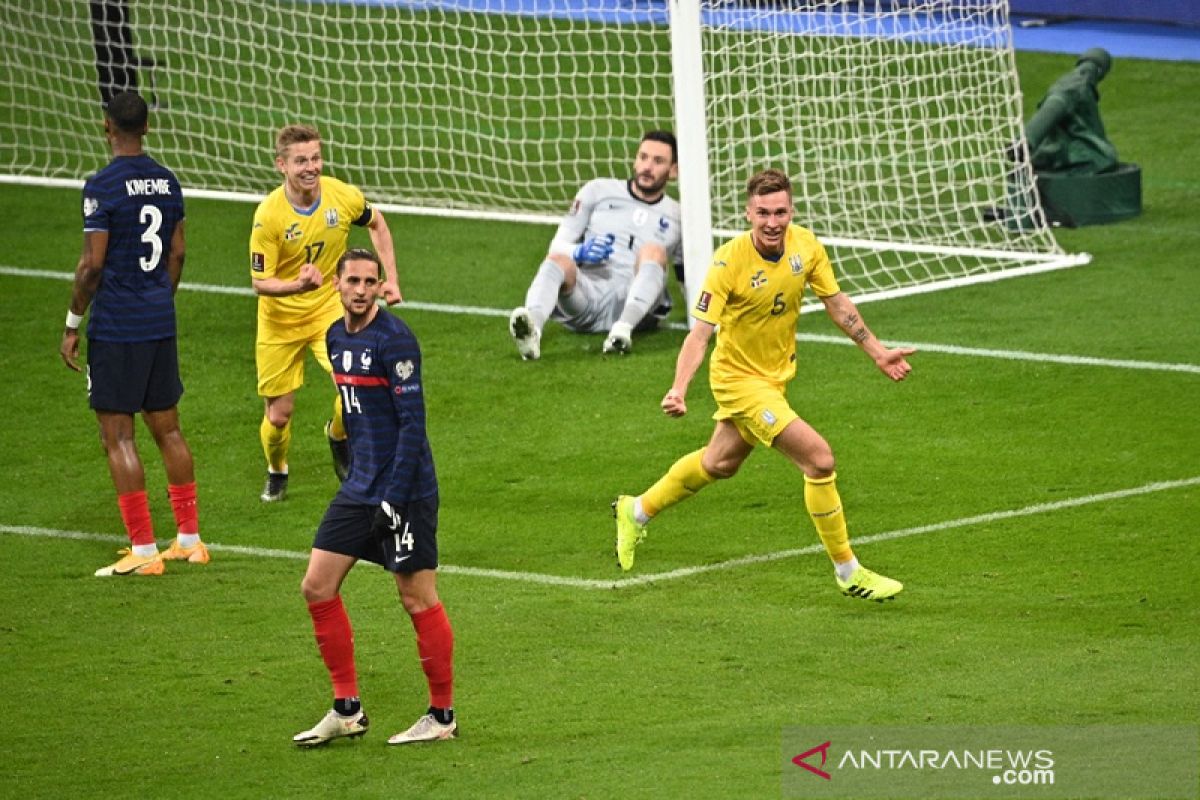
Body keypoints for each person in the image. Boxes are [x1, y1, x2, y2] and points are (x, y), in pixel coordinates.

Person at [613, 169, 914, 601]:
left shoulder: (805, 246)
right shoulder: (727, 263)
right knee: (820, 460)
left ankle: (636, 510)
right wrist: (679, 388)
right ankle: (848, 570)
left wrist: (878, 351)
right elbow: (699, 334)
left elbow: (836, 303)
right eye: (763, 213)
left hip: (775, 378)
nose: (773, 222)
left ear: (791, 211)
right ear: (748, 213)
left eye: (781, 212)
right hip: (738, 382)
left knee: (719, 464)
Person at [293, 248, 456, 748]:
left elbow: (413, 425)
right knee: (316, 587)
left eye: (370, 282)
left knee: (416, 597)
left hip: (404, 491)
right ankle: (346, 709)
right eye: (353, 281)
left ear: (382, 286)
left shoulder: (396, 341)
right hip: (359, 486)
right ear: (337, 285)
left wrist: (393, 494)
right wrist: (345, 456)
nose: (361, 290)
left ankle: (442, 716)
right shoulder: (335, 337)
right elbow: (352, 410)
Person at [59, 91, 209, 576]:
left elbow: (91, 266)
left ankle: (143, 551)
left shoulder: (101, 186)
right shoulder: (167, 182)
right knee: (168, 429)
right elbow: (178, 253)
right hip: (158, 319)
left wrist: (72, 322)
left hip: (119, 326)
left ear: (108, 127)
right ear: (146, 127)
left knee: (117, 436)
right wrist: (158, 299)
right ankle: (189, 540)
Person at [250, 124, 402, 502]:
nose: (311, 167)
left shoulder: (342, 196)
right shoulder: (268, 216)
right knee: (279, 416)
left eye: (315, 158)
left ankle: (338, 434)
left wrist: (391, 279)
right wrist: (296, 286)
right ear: (281, 165)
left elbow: (377, 223)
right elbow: (260, 282)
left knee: (355, 388)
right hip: (279, 319)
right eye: (300, 160)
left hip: (328, 311)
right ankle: (277, 469)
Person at [508, 130, 682, 360]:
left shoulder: (678, 216)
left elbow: (685, 276)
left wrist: (704, 321)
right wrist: (579, 252)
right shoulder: (598, 191)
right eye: (643, 157)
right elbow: (557, 246)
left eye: (658, 161)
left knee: (653, 251)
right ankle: (532, 332)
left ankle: (622, 330)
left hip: (638, 310)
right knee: (558, 261)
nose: (647, 166)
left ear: (674, 171)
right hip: (588, 298)